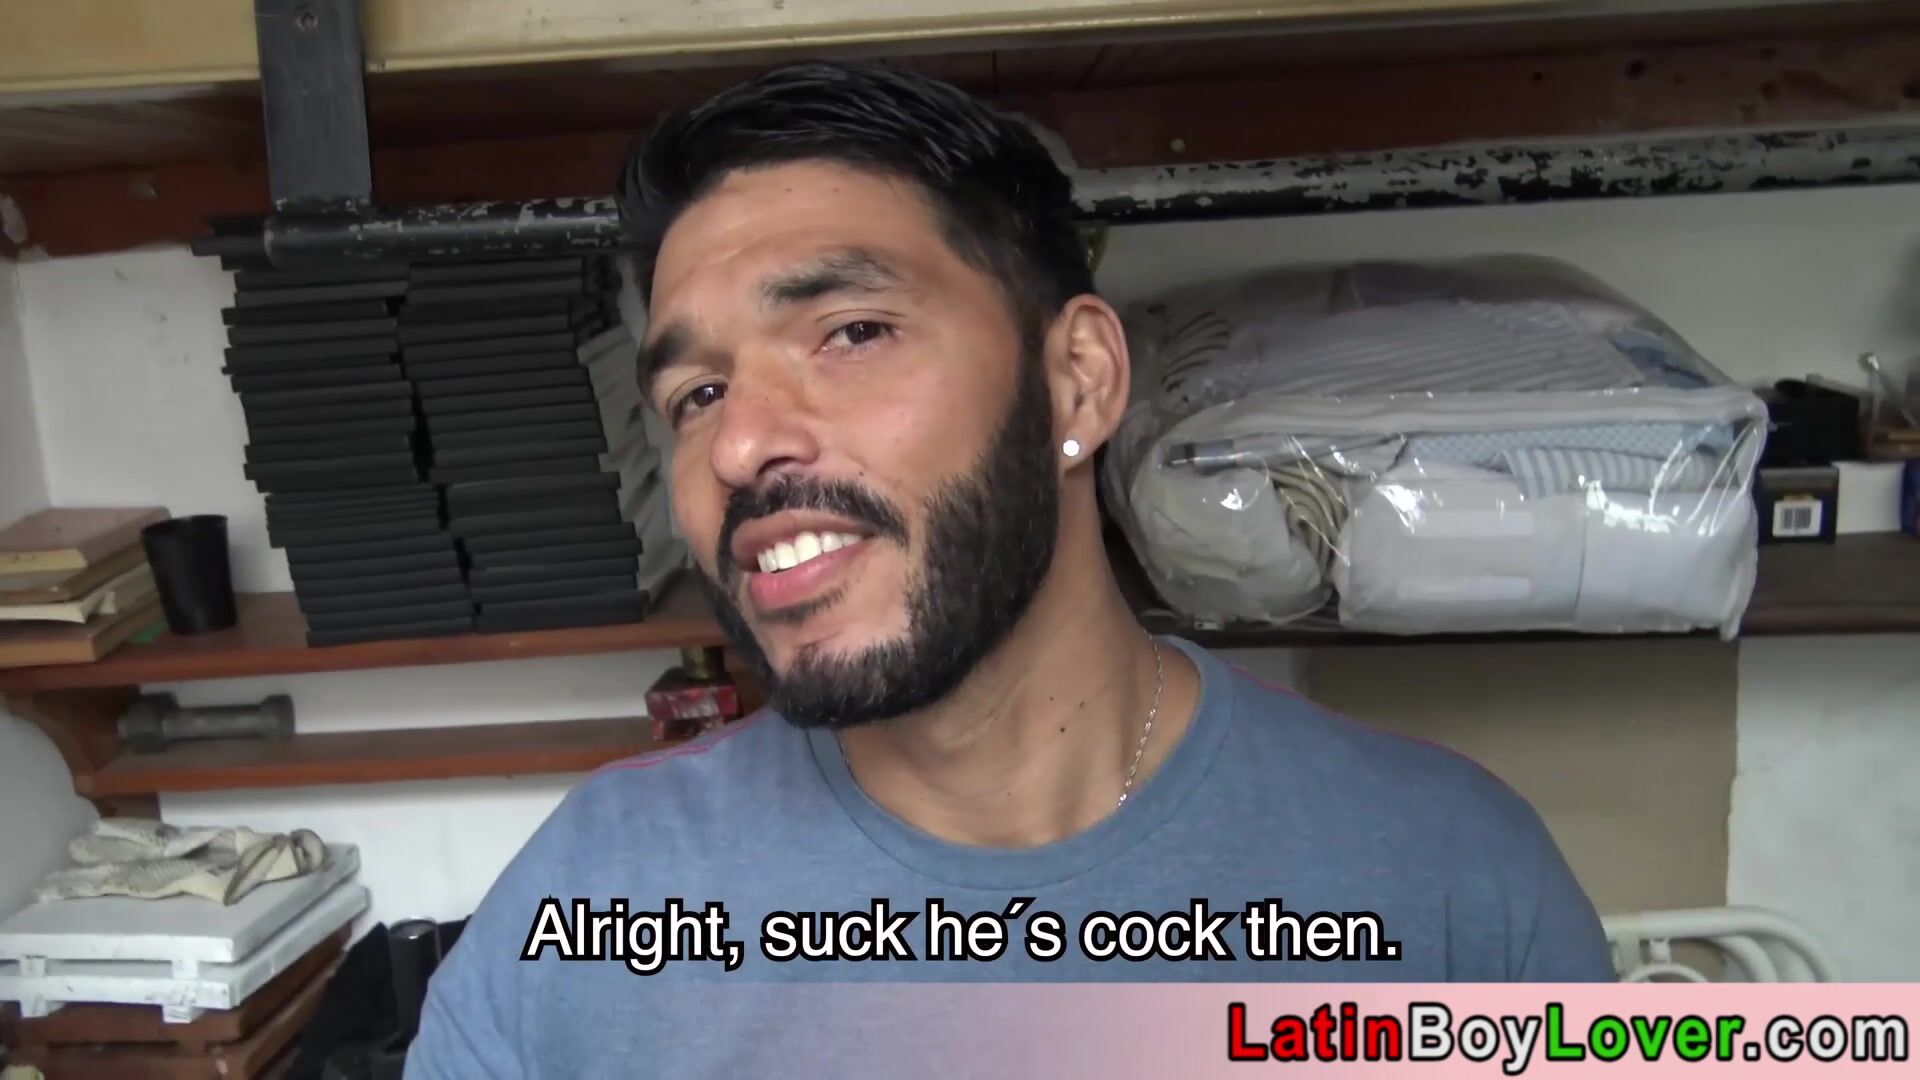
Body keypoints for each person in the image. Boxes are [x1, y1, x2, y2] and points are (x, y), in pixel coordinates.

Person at [407, 61, 1613, 1077]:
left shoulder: (1450, 884)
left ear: (1076, 382)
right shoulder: (590, 911)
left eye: (851, 332)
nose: (737, 445)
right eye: (697, 393)